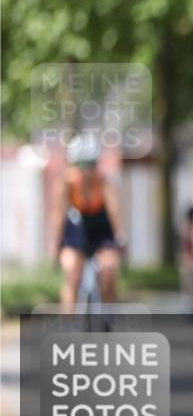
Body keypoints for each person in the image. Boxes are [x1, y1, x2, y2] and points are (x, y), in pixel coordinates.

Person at [50, 133, 126, 313]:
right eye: (82, 165)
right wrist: (54, 245)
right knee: (73, 275)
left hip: (102, 230)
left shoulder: (104, 182)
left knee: (109, 271)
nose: (87, 170)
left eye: (91, 164)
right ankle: (68, 327)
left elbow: (114, 210)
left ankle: (108, 316)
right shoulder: (66, 184)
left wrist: (121, 236)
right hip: (76, 231)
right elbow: (58, 215)